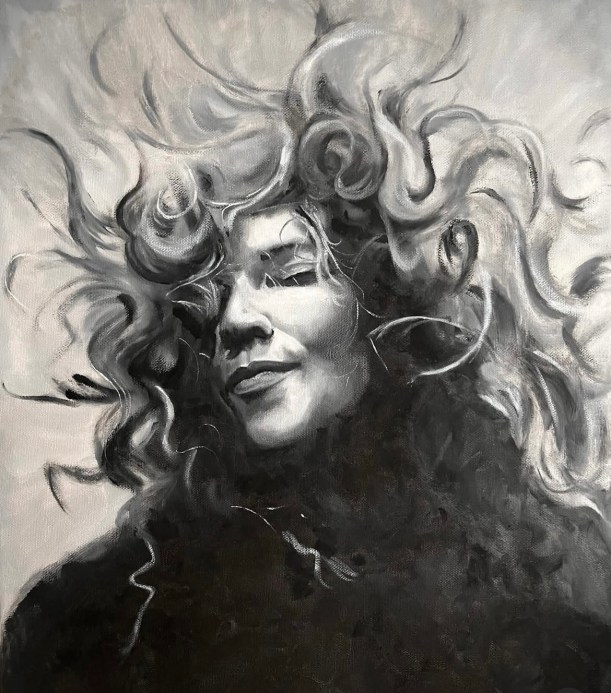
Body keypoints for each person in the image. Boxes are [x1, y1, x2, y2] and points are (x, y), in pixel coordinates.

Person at [3, 14, 611, 693]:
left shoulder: (552, 586)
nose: (234, 322)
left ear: (383, 299)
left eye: (289, 274)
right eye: (203, 306)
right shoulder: (95, 624)